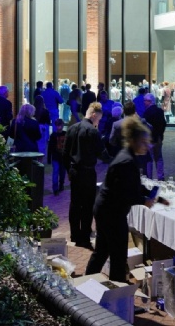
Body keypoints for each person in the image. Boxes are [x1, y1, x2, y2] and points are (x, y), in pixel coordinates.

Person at [85, 117, 168, 280]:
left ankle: (85, 283)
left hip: (106, 209)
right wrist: (144, 201)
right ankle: (118, 287)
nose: (148, 145)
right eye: (144, 142)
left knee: (102, 251)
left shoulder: (128, 157)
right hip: (112, 213)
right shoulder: (127, 161)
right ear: (134, 141)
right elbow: (126, 194)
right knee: (117, 255)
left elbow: (133, 186)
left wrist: (156, 198)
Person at [64, 102, 110, 249]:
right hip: (88, 171)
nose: (98, 122)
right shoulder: (93, 131)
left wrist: (69, 170)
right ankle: (84, 236)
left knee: (74, 203)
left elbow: (65, 153)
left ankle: (74, 234)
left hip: (74, 170)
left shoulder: (72, 128)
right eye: (99, 119)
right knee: (87, 204)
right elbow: (101, 153)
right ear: (94, 115)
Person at [109, 100, 152, 175]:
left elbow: (111, 141)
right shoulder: (141, 121)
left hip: (123, 154)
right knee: (141, 176)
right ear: (135, 111)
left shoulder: (116, 124)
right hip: (139, 155)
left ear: (123, 111)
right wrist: (139, 118)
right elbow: (151, 129)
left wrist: (119, 144)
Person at [143, 93, 166, 180]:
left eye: (145, 101)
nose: (144, 103)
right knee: (159, 158)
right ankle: (161, 177)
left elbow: (145, 127)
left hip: (149, 139)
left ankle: (149, 178)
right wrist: (160, 134)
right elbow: (163, 124)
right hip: (158, 138)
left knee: (149, 159)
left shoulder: (147, 112)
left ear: (149, 101)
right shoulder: (160, 111)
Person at [48, 119, 68, 194]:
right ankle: (55, 188)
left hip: (62, 157)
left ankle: (61, 185)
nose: (58, 127)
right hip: (56, 157)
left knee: (62, 172)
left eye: (59, 125)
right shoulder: (53, 135)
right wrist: (49, 158)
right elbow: (50, 147)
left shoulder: (65, 134)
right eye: (57, 125)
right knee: (56, 172)